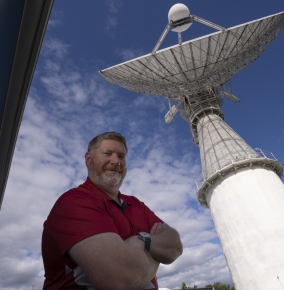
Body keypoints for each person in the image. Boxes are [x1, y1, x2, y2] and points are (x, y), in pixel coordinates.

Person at [42, 132, 183, 290]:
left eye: (121, 156)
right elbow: (121, 280)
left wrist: (142, 241)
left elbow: (175, 246)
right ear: (88, 159)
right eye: (107, 154)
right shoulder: (74, 202)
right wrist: (156, 252)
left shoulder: (136, 204)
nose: (116, 161)